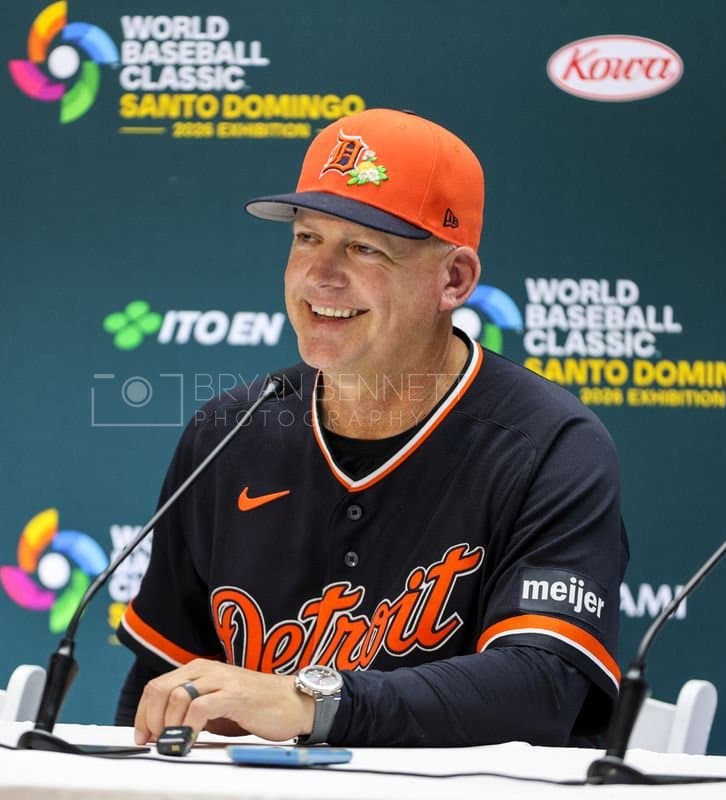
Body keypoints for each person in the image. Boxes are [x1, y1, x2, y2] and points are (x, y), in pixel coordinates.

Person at [115, 108, 628, 747]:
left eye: (364, 247)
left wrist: (312, 702)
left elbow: (540, 687)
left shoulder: (550, 446)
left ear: (454, 279)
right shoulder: (228, 433)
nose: (321, 275)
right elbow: (162, 683)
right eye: (307, 238)